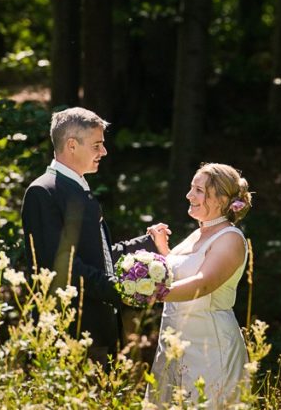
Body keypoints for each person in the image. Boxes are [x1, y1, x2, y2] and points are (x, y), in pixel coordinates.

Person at [20, 107, 171, 364]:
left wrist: (147, 243)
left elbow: (97, 257)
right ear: (71, 145)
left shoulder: (78, 189)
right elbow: (63, 267)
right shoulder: (43, 192)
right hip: (68, 334)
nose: (104, 152)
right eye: (97, 145)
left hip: (99, 332)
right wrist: (121, 290)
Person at [147, 162, 253, 410]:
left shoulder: (230, 238)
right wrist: (164, 250)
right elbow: (183, 271)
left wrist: (156, 293)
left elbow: (203, 283)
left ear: (221, 199)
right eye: (191, 188)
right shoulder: (198, 233)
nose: (189, 195)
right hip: (175, 340)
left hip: (210, 343)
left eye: (198, 190)